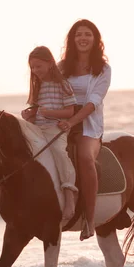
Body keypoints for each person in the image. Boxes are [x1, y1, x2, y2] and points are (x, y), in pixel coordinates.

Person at [56, 19, 112, 241]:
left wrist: (73, 121)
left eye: (88, 34)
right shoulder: (61, 68)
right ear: (72, 39)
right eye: (79, 34)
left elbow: (93, 102)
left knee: (85, 158)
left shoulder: (103, 70)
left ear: (95, 39)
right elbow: (48, 92)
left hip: (89, 124)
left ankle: (89, 219)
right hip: (62, 121)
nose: (83, 38)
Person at [21, 46, 78, 221]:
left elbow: (70, 112)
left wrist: (51, 114)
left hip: (55, 128)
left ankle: (69, 196)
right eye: (32, 67)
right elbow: (37, 110)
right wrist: (29, 114)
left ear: (50, 63)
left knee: (59, 153)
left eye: (38, 66)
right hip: (38, 127)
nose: (35, 70)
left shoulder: (62, 85)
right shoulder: (37, 86)